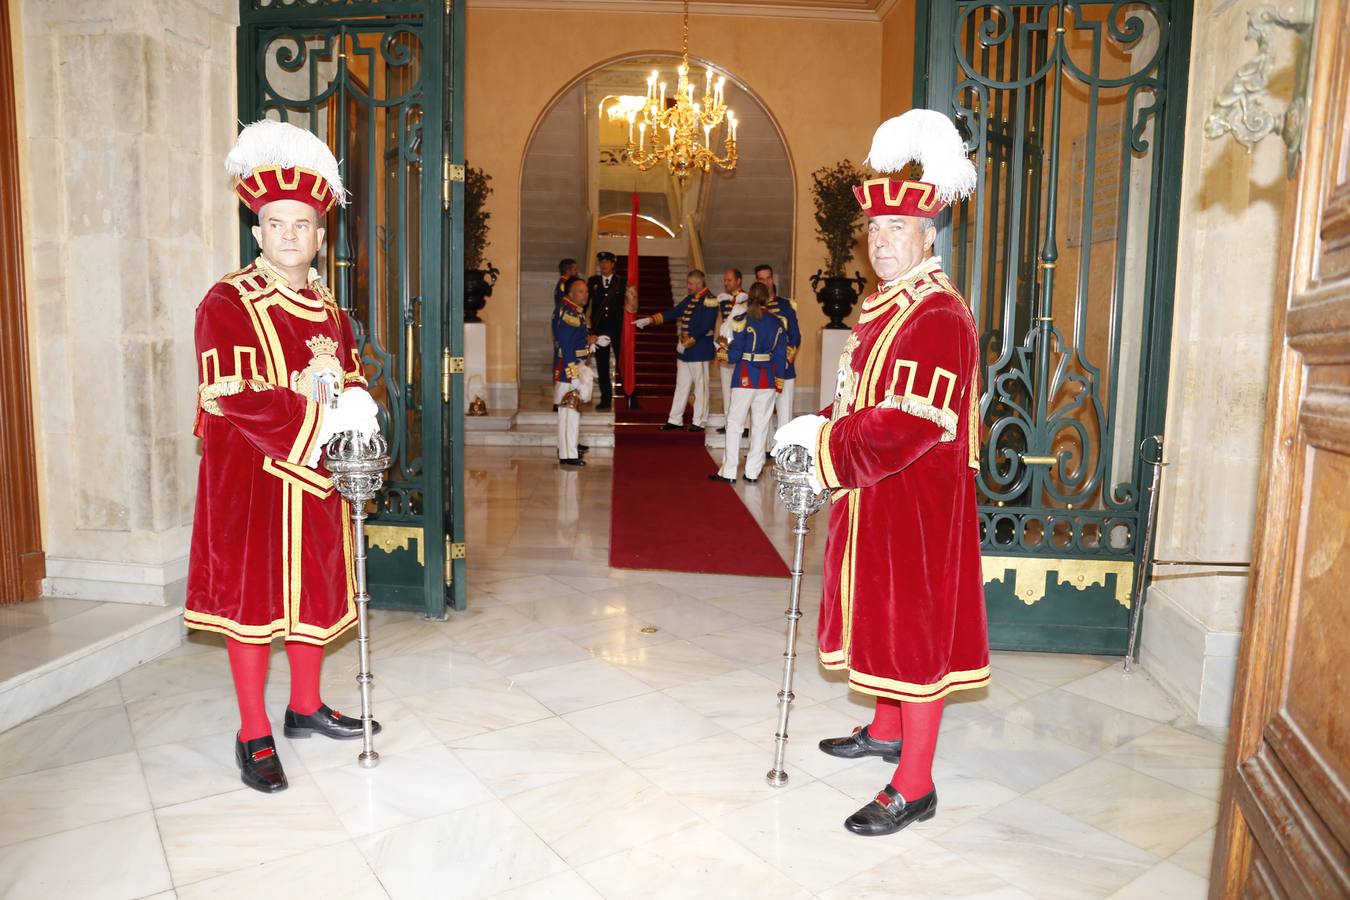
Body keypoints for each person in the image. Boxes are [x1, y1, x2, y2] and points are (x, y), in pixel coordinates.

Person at [772, 109, 987, 836]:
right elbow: (864, 400)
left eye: (898, 229)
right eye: (874, 231)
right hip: (878, 495)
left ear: (929, 235)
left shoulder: (935, 314)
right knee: (883, 622)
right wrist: (831, 430)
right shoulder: (887, 306)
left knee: (915, 637)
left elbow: (909, 423)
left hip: (917, 502)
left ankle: (915, 784)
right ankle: (886, 731)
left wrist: (825, 443)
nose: (882, 242)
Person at [190, 119, 383, 795]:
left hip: (316, 478)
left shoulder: (329, 308)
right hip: (251, 480)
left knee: (315, 599)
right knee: (252, 606)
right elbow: (233, 397)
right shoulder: (227, 301)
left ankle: (304, 708)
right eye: (277, 225)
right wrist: (322, 421)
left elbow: (350, 375)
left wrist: (358, 410)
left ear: (320, 236)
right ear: (257, 232)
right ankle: (253, 732)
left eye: (302, 225)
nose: (290, 236)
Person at [710, 283, 785, 484]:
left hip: (745, 376)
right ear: (768, 297)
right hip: (767, 379)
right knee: (760, 426)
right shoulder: (777, 323)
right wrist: (779, 381)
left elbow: (734, 355)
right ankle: (752, 472)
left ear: (749, 297)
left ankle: (729, 471)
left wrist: (721, 352)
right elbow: (780, 356)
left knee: (734, 424)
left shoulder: (741, 320)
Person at [636, 269, 718, 432]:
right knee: (681, 386)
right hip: (685, 352)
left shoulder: (710, 300)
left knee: (701, 387)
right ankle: (675, 419)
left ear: (698, 283)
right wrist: (650, 320)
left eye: (690, 283)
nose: (688, 286)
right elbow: (674, 312)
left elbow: (706, 326)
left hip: (699, 350)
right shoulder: (691, 299)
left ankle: (700, 421)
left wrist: (687, 343)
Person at [555, 275, 608, 466]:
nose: (585, 295)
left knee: (571, 414)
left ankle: (568, 450)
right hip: (571, 370)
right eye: (580, 291)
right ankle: (568, 455)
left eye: (586, 292)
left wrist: (591, 343)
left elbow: (577, 341)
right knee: (569, 414)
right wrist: (573, 375)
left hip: (576, 366)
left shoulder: (576, 312)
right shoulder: (570, 314)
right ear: (571, 293)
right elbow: (567, 346)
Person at [754, 264, 801, 433]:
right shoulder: (753, 307)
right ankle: (763, 449)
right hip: (763, 368)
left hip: (785, 367)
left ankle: (782, 452)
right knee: (761, 412)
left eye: (769, 278)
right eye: (762, 279)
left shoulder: (787, 305)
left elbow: (795, 335)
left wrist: (786, 359)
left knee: (784, 412)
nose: (766, 282)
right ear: (757, 281)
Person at [587, 251, 626, 410]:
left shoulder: (622, 282)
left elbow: (629, 305)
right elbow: (585, 303)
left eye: (607, 262)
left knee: (623, 364)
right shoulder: (593, 281)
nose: (603, 265)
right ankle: (606, 398)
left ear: (613, 264)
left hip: (618, 329)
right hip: (599, 330)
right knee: (602, 366)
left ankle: (629, 396)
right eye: (601, 262)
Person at [715, 267, 746, 430]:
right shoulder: (723, 299)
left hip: (739, 347)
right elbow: (723, 325)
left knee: (740, 389)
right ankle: (729, 423)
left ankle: (744, 425)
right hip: (726, 345)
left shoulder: (745, 298)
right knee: (726, 387)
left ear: (738, 281)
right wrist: (720, 345)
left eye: (729, 280)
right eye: (725, 280)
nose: (726, 283)